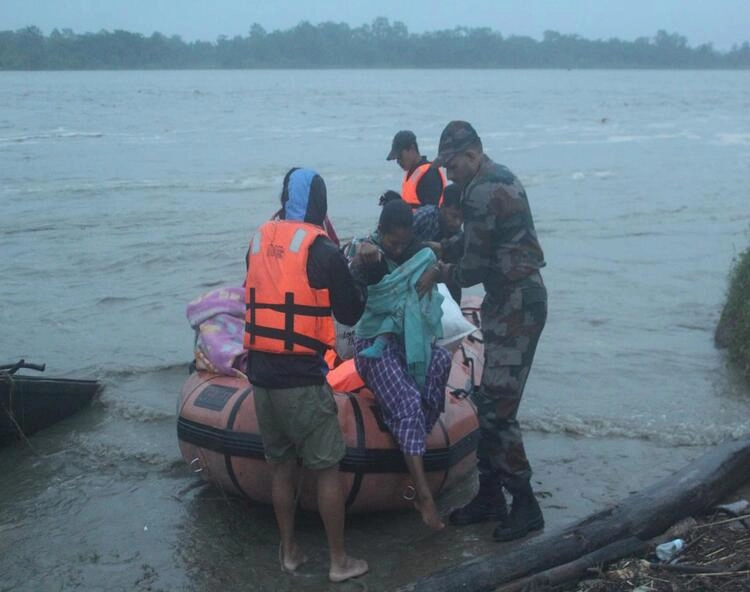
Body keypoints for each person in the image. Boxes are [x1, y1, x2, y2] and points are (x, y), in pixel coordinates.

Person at [244, 168, 369, 582]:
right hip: (301, 378)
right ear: (319, 201)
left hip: (260, 376)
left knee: (281, 468)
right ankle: (338, 562)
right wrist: (359, 273)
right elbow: (350, 312)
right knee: (326, 468)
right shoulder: (324, 251)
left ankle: (290, 553)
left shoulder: (258, 238)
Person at [429, 121, 548, 542]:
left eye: (452, 164)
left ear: (472, 154)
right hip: (512, 301)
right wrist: (445, 247)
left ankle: (525, 504)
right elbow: (482, 241)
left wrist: (437, 271)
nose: (448, 174)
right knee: (487, 399)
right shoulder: (500, 176)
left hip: (517, 305)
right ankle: (490, 497)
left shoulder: (480, 191)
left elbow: (475, 267)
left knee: (497, 408)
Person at [345, 199, 451, 531]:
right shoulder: (368, 254)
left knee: (443, 361)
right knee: (406, 400)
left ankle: (410, 437)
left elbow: (441, 257)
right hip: (373, 345)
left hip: (410, 339)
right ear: (381, 232)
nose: (398, 247)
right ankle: (423, 495)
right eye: (393, 242)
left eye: (403, 241)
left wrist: (437, 270)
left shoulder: (418, 253)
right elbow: (354, 268)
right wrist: (363, 253)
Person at [413, 183, 465, 303]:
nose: (457, 223)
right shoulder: (424, 217)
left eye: (462, 219)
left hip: (440, 274)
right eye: (454, 216)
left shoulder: (460, 235)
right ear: (442, 207)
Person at [386, 130, 446, 208]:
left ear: (412, 148)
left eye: (400, 157)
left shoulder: (430, 175)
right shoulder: (412, 172)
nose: (398, 162)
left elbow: (432, 214)